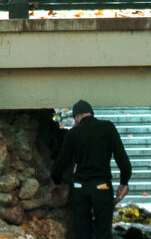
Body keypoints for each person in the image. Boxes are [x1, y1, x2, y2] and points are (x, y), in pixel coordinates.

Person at [50, 100, 132, 239]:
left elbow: (60, 163)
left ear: (77, 116)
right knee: (103, 232)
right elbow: (123, 161)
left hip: (80, 187)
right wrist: (124, 182)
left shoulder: (73, 133)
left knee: (82, 232)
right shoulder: (108, 128)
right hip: (102, 187)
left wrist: (56, 181)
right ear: (91, 114)